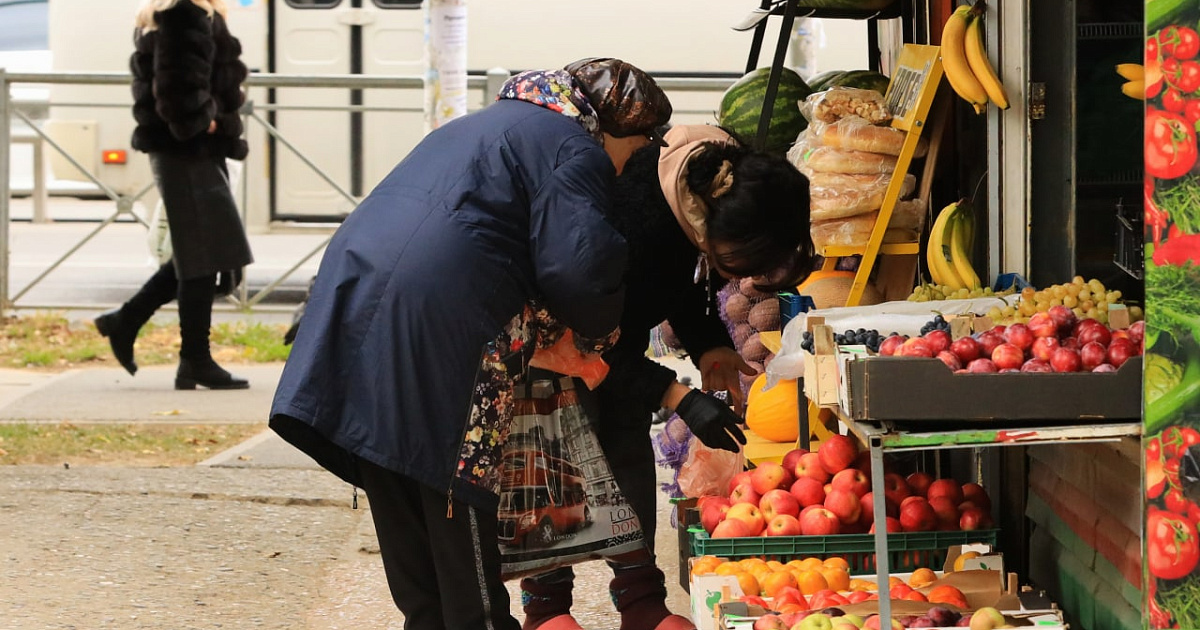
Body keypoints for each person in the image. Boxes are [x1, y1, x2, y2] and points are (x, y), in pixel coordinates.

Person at [269, 59, 743, 630]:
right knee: (460, 523)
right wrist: (595, 339)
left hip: (355, 311)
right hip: (443, 336)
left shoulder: (492, 123)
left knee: (407, 517)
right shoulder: (576, 149)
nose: (633, 161)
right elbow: (582, 271)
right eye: (638, 145)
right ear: (616, 127)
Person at [519, 124, 814, 630]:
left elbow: (680, 280)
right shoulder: (633, 222)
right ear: (722, 230)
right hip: (549, 348)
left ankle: (640, 601)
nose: (737, 277)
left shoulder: (703, 192)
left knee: (628, 451)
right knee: (557, 462)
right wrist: (676, 395)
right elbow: (575, 343)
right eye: (739, 263)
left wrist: (709, 344)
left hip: (613, 338)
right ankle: (546, 606)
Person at [95, 0, 252, 390]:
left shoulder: (179, 14)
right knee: (203, 254)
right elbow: (175, 93)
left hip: (190, 151)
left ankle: (128, 322)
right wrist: (210, 123)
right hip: (187, 150)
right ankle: (193, 359)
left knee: (200, 251)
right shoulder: (184, 14)